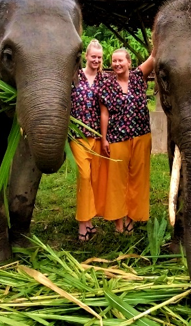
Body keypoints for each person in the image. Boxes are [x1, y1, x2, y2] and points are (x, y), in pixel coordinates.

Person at [100, 48, 155, 234]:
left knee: (138, 179)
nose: (117, 64)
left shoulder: (139, 76)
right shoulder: (107, 84)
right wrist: (104, 138)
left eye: (120, 61)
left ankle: (132, 219)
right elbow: (104, 113)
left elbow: (154, 56)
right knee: (116, 181)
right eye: (114, 61)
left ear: (129, 62)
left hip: (141, 135)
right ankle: (118, 223)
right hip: (117, 138)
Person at [70, 39, 106, 241]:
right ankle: (82, 224)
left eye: (99, 57)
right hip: (78, 135)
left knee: (93, 180)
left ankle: (90, 221)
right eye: (93, 56)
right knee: (84, 178)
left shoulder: (103, 79)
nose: (96, 60)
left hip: (97, 137)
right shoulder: (75, 76)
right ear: (86, 56)